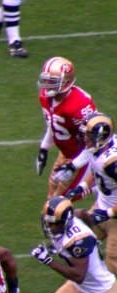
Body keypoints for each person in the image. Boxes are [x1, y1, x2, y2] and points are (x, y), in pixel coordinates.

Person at [35, 57, 98, 199]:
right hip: (65, 152)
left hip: (83, 154)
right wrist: (44, 148)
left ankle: (100, 186)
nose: (46, 85)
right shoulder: (45, 98)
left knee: (60, 202)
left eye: (51, 81)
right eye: (45, 80)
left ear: (66, 82)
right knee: (51, 192)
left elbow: (95, 143)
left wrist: (74, 165)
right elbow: (54, 124)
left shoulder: (79, 104)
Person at [64, 113, 117, 275]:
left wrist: (107, 213)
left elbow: (103, 169)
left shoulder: (112, 163)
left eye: (89, 136)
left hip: (113, 216)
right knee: (83, 242)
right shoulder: (100, 148)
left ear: (101, 138)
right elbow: (97, 171)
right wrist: (82, 187)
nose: (85, 139)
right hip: (101, 207)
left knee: (112, 262)